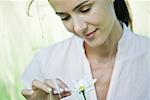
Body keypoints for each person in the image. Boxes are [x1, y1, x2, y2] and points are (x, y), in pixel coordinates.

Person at [21, 0, 150, 100]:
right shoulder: (45, 64)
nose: (78, 27)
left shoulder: (146, 54)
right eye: (65, 17)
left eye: (85, 10)